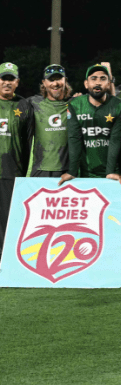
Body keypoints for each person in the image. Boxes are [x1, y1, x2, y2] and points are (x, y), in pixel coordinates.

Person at [59, 64, 121, 184]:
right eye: (93, 78)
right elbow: (74, 138)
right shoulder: (75, 105)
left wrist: (110, 171)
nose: (98, 83)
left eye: (103, 79)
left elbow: (115, 140)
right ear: (86, 84)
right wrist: (72, 172)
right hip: (86, 172)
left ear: (109, 83)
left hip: (113, 172)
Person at [0, 62, 33, 258]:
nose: (7, 82)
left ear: (17, 82)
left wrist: (26, 175)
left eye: (11, 79)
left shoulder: (24, 105)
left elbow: (30, 142)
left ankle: (6, 260)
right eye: (3, 78)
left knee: (9, 221)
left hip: (12, 172)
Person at [28, 64, 75, 178]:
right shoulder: (33, 103)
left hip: (68, 170)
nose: (55, 83)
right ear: (44, 82)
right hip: (41, 169)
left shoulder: (76, 103)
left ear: (65, 80)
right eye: (51, 80)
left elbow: (105, 102)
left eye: (59, 79)